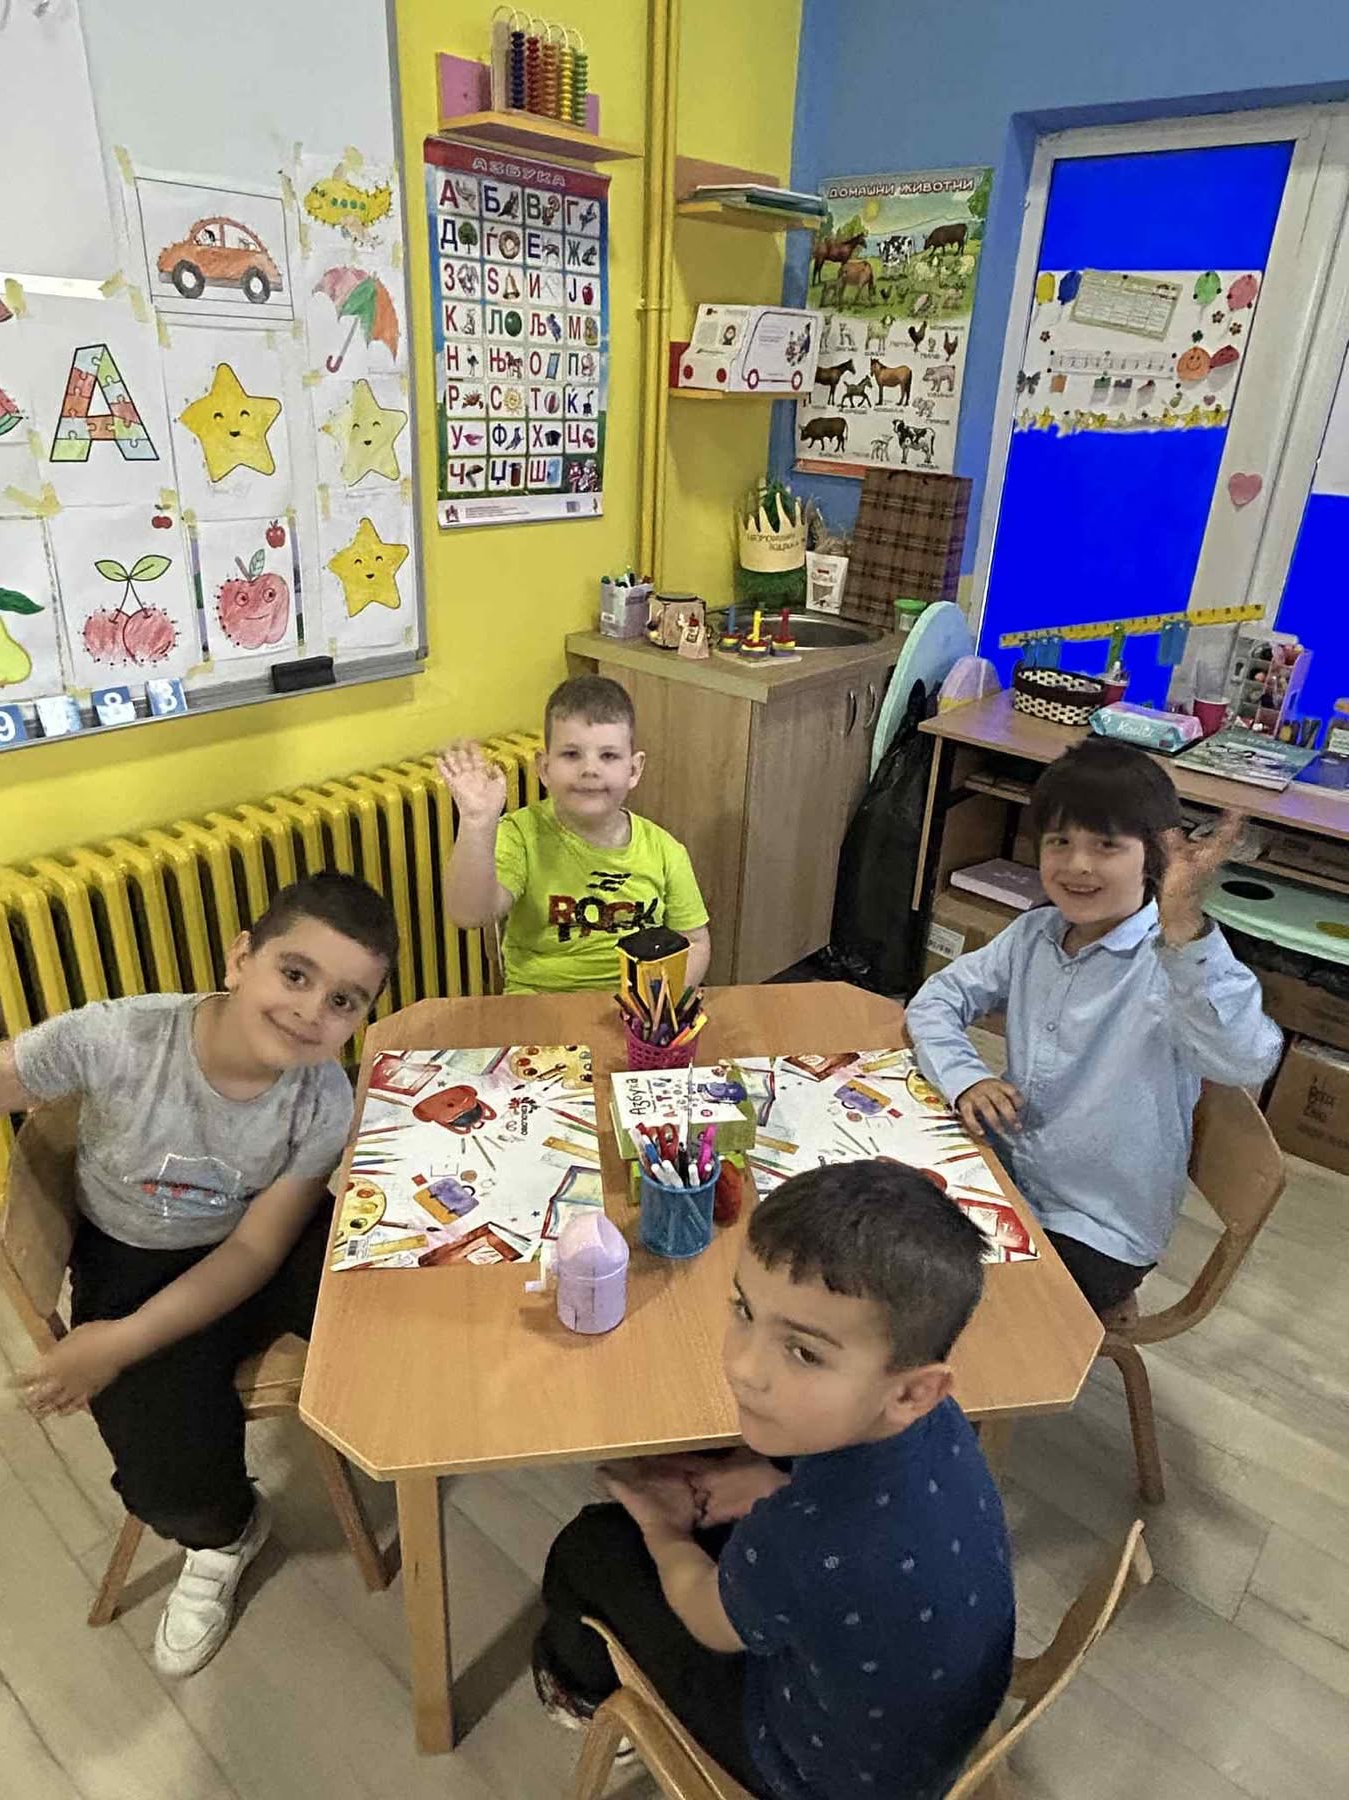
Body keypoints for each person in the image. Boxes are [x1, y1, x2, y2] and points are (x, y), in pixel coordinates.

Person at [1, 872, 398, 1677]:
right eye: (295, 974)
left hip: (256, 1242)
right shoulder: (120, 1036)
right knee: (163, 1467)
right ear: (240, 958)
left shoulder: (324, 1097)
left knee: (391, 1306)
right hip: (131, 1258)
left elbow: (255, 1252)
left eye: (343, 1001)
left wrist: (122, 1342)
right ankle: (225, 1537)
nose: (311, 1011)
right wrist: (118, 1340)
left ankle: (416, 1424)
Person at [534, 1161, 1014, 1800]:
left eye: (804, 1351)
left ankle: (580, 1696)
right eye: (744, 1309)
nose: (742, 1365)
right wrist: (766, 1478)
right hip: (927, 1731)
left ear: (912, 1391)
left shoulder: (811, 1538)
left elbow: (709, 1619)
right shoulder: (939, 1422)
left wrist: (661, 1527)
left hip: (810, 1774)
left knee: (588, 1548)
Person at [906, 738, 1283, 1322]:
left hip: (1098, 1229)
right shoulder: (1035, 934)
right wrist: (966, 1077)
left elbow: (1247, 1058)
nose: (1078, 865)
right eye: (1059, 841)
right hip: (1007, 1175)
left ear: (1153, 856)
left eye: (1106, 845)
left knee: (931, 1305)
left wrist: (1186, 929)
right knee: (884, 1224)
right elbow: (937, 999)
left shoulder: (1173, 962)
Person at [440, 674, 711, 994]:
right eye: (571, 754)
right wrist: (477, 823)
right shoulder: (520, 836)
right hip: (537, 1003)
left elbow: (695, 943)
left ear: (634, 770)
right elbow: (469, 914)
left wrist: (657, 1002)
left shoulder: (666, 851)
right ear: (544, 768)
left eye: (608, 756)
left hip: (637, 1007)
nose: (590, 769)